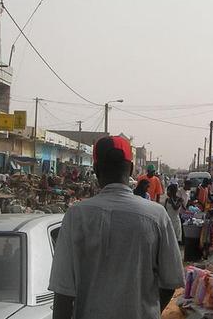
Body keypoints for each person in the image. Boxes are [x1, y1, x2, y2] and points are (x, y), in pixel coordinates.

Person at [49, 136, 184, 319]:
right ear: (130, 169)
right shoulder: (156, 216)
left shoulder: (76, 216)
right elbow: (170, 282)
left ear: (96, 169)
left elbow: (63, 292)